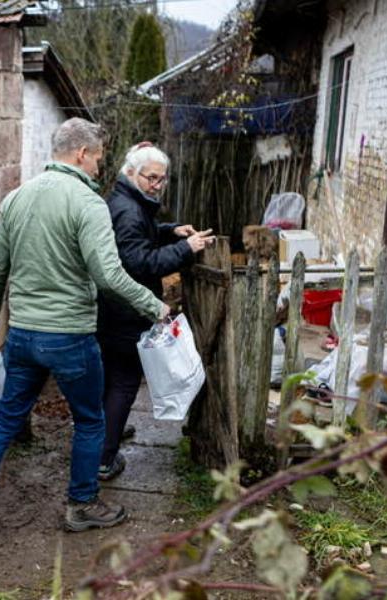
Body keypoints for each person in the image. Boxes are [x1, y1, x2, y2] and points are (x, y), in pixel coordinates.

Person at [0, 118, 170, 542]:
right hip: (69, 337)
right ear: (82, 153)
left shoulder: (17, 198)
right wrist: (153, 304)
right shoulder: (87, 204)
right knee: (90, 421)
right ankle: (82, 505)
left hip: (24, 336)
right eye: (99, 157)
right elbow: (109, 275)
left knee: (5, 421)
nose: (100, 166)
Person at [95, 142, 213, 480]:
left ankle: (106, 436)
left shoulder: (127, 201)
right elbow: (139, 263)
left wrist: (170, 231)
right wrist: (185, 249)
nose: (157, 185)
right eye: (151, 178)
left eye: (161, 179)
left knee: (111, 379)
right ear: (131, 173)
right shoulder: (129, 211)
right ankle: (104, 459)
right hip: (124, 312)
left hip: (112, 309)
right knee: (124, 383)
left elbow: (141, 238)